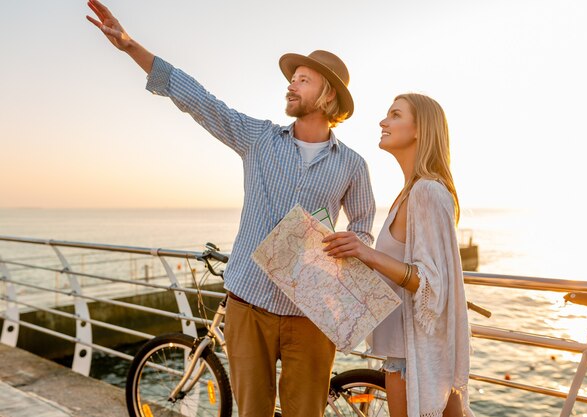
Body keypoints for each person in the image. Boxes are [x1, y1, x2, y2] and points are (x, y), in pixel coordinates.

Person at [85, 1, 376, 416]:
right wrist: (133, 48)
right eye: (292, 79)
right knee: (251, 412)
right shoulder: (258, 138)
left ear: (327, 95)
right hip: (248, 305)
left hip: (311, 316)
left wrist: (353, 242)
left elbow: (364, 228)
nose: (290, 86)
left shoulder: (352, 164)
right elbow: (201, 101)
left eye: (303, 80)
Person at [323, 93, 473, 417]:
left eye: (394, 114)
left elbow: (433, 284)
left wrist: (368, 254)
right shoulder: (409, 192)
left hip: (413, 362)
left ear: (420, 129)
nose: (383, 121)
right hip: (402, 356)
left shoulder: (427, 192)